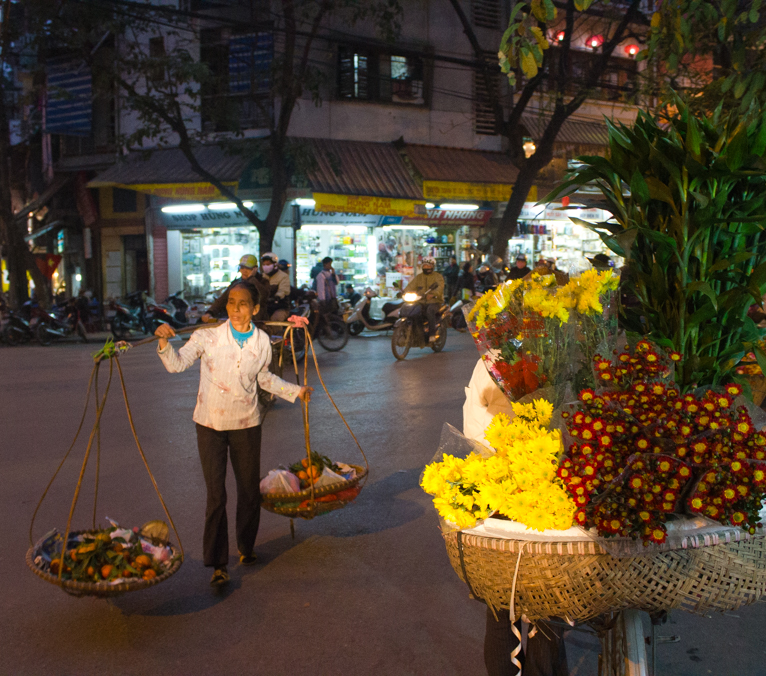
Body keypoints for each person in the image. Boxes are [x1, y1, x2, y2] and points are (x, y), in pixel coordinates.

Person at [155, 283, 312, 587]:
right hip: (210, 424)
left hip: (247, 425)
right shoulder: (207, 336)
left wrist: (296, 391)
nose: (236, 309)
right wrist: (164, 343)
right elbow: (177, 365)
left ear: (255, 309)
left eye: (243, 304)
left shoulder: (263, 342)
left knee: (249, 492)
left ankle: (246, 547)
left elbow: (264, 377)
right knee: (217, 496)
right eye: (231, 303)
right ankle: (217, 563)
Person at [463, 359, 569, 676]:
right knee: (542, 598)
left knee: (503, 605)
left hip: (507, 483)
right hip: (511, 483)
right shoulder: (513, 358)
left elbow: (475, 429)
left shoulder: (494, 357)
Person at [202, 254, 270, 323]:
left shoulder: (262, 282)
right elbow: (223, 299)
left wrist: (251, 278)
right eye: (242, 267)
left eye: (248, 268)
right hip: (236, 320)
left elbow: (263, 296)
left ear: (255, 269)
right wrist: (210, 312)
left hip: (256, 322)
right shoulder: (236, 283)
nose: (244, 271)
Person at [403, 256, 444, 342]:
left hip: (434, 301)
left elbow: (439, 288)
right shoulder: (419, 277)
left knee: (430, 310)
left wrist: (432, 294)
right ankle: (417, 333)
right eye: (425, 266)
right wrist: (403, 292)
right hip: (420, 302)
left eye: (429, 266)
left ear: (433, 266)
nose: (427, 267)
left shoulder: (438, 277)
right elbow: (410, 286)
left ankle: (432, 334)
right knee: (413, 310)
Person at [260, 252, 291, 322]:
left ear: (275, 264)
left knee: (275, 321)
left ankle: (277, 333)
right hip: (264, 307)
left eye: (268, 264)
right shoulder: (262, 277)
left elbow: (283, 291)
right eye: (264, 264)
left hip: (280, 307)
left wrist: (276, 297)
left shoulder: (283, 276)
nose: (265, 266)